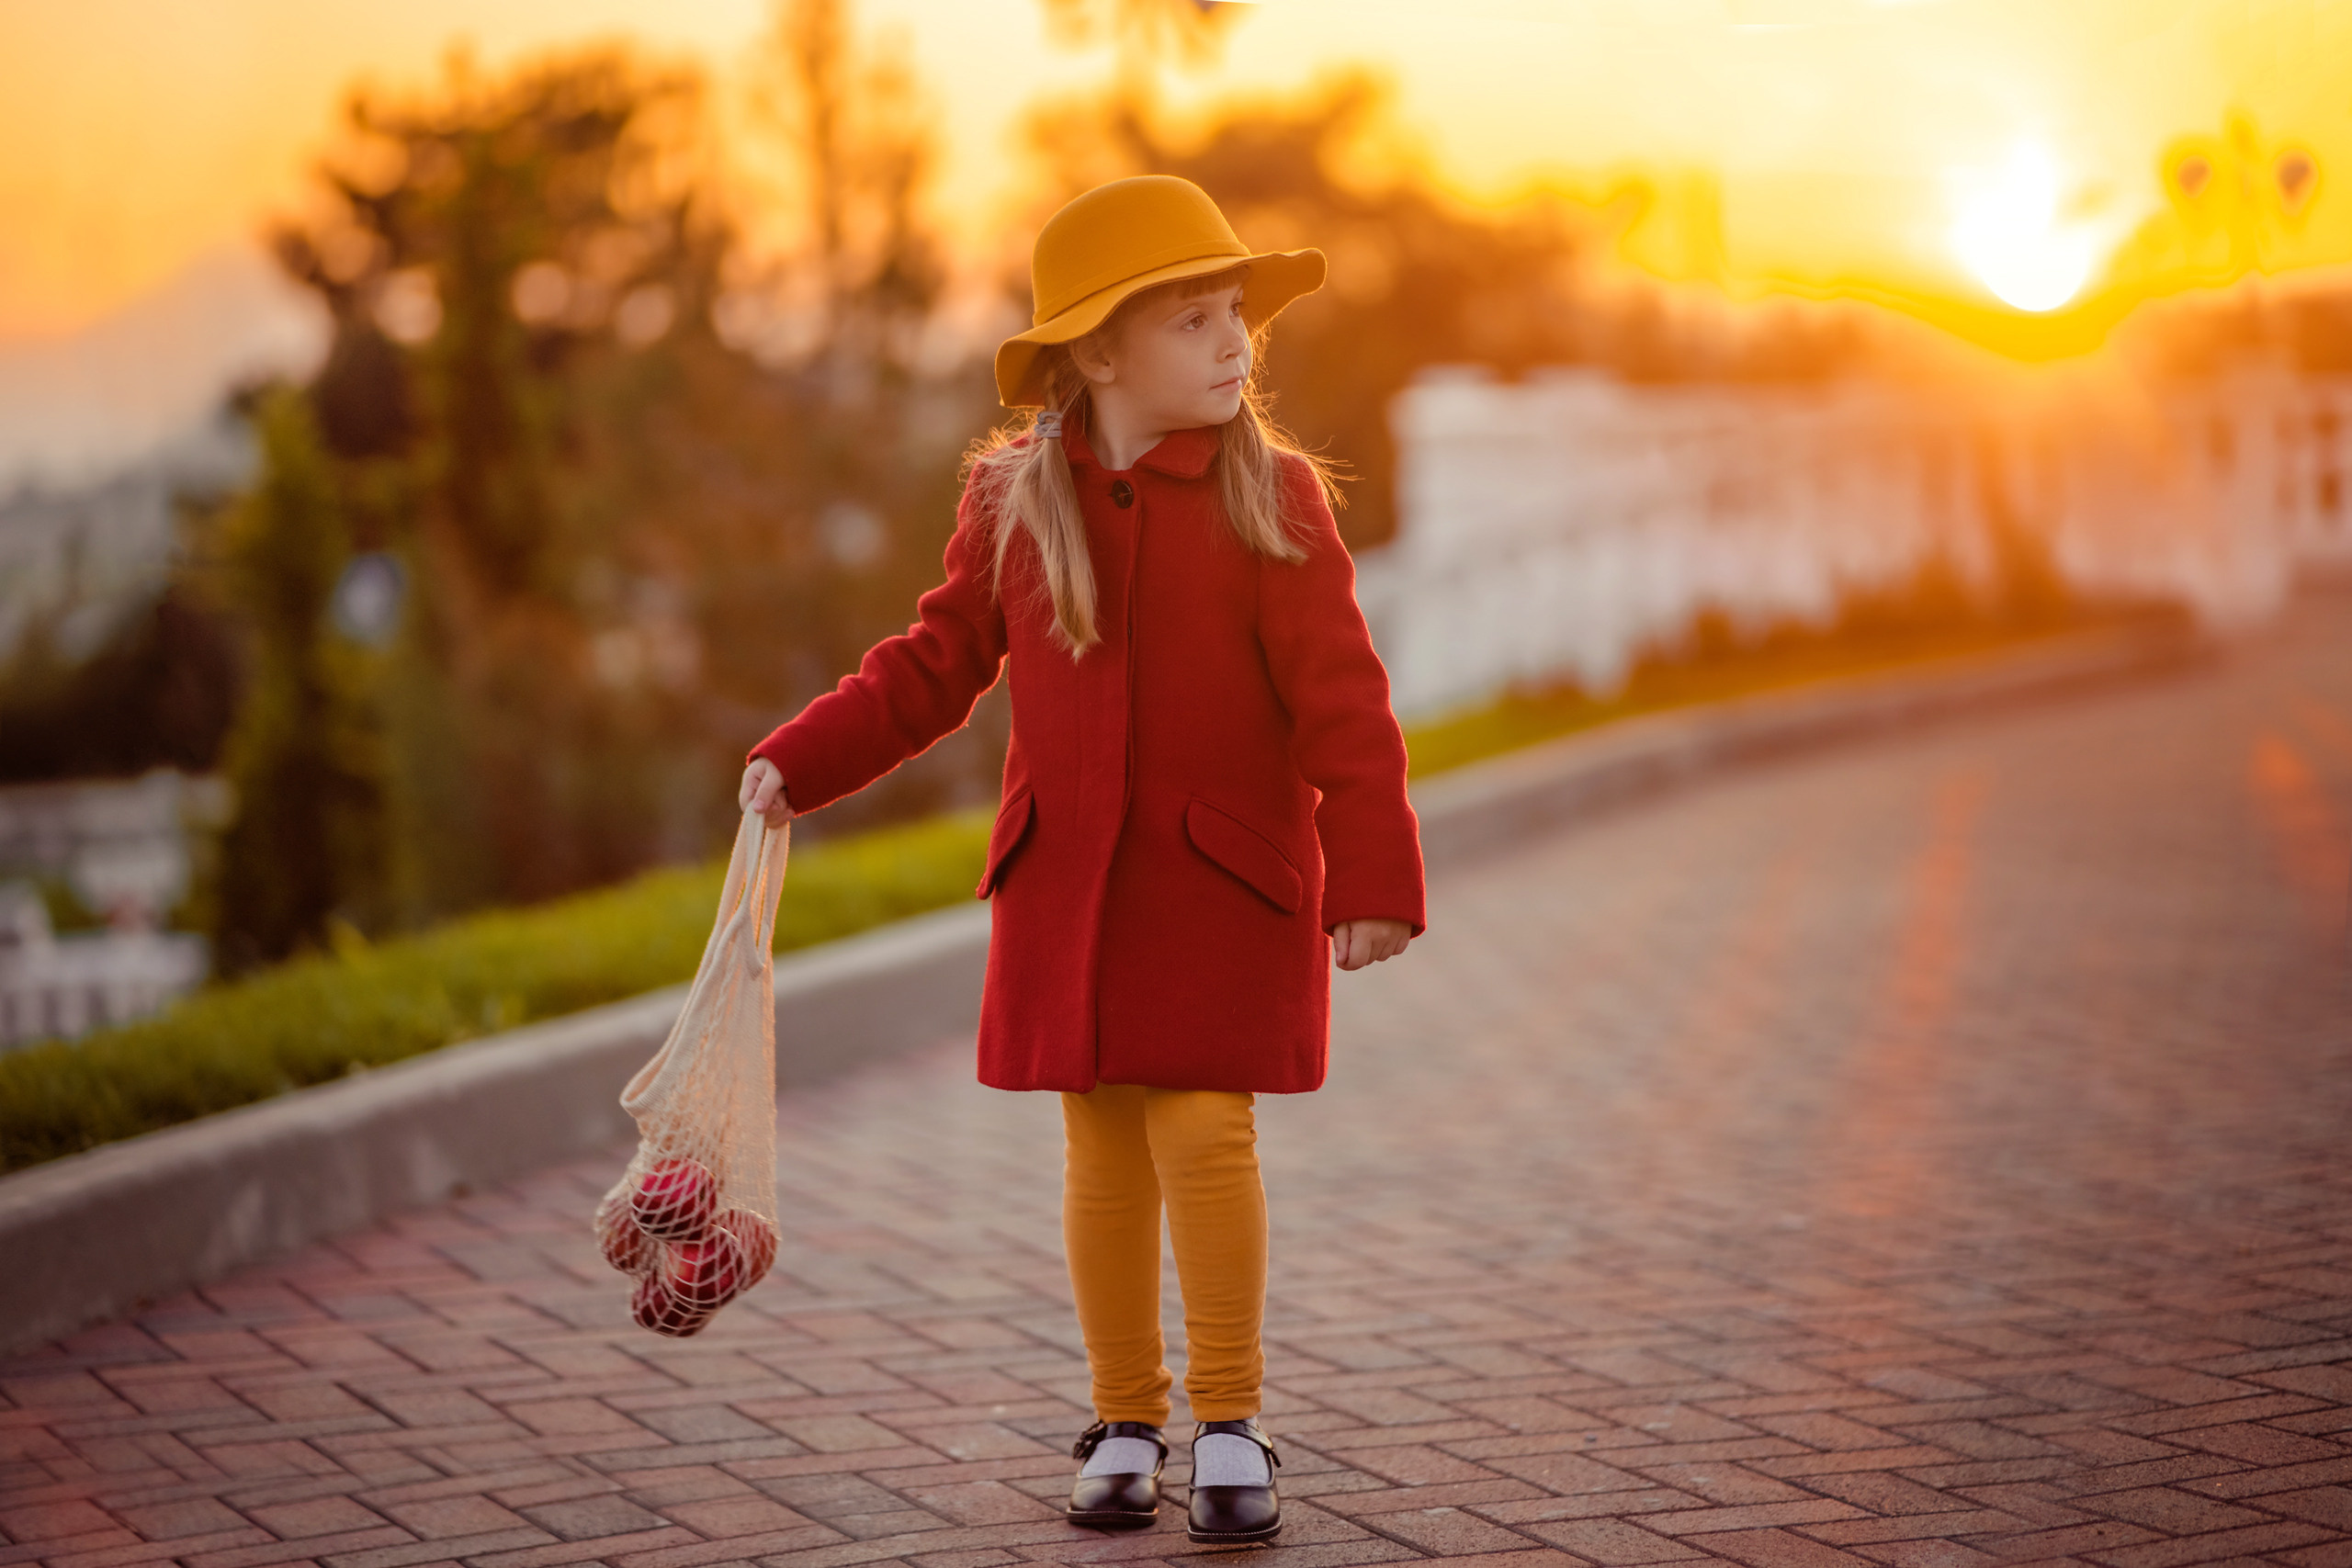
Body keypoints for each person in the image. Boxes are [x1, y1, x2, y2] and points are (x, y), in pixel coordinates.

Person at [739, 175, 1426, 1544]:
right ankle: (1125, 1417)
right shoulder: (1012, 502)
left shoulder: (1274, 498)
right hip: (1069, 890)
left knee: (1202, 1128)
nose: (1235, 343)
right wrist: (797, 759)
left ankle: (1230, 1422)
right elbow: (933, 667)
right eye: (1194, 320)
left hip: (1221, 883)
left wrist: (1374, 875)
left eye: (1237, 315)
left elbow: (1344, 698)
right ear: (1100, 351)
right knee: (1100, 1149)